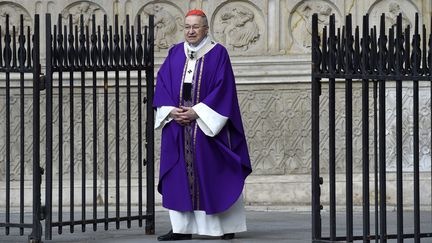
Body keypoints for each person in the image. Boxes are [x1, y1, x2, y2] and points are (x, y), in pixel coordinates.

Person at [153, 9, 252, 241]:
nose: (190, 31)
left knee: (215, 174)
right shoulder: (175, 53)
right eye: (187, 26)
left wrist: (197, 112)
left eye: (196, 27)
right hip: (178, 124)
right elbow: (163, 83)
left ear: (206, 29)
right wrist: (171, 111)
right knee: (178, 176)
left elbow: (224, 89)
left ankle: (224, 227)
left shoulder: (219, 54)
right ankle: (182, 229)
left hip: (207, 126)